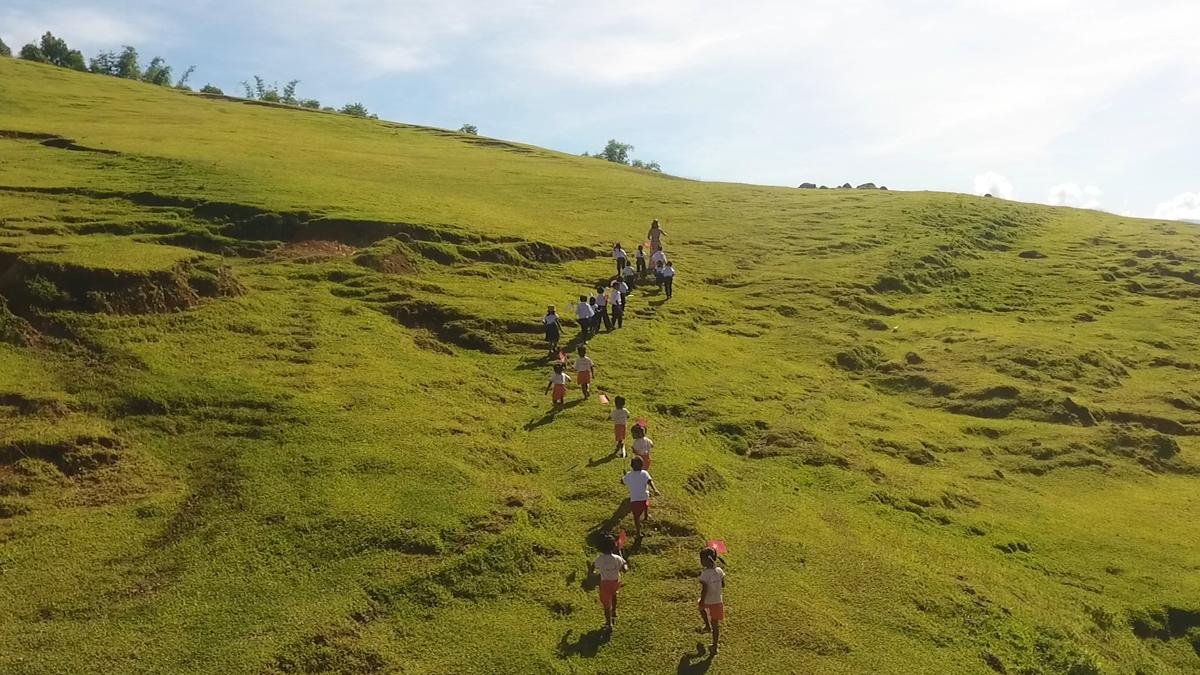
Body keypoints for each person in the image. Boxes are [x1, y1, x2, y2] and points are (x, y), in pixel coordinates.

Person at [589, 533, 628, 633]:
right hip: (615, 582)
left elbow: (593, 568)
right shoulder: (617, 558)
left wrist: (591, 572)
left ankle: (609, 623)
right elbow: (625, 570)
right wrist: (624, 562)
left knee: (606, 605)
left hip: (605, 584)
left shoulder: (600, 559)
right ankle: (614, 611)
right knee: (614, 595)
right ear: (614, 546)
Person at [698, 547, 727, 655]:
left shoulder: (705, 574)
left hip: (708, 600)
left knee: (700, 607)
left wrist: (702, 600)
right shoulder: (719, 570)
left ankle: (706, 626)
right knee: (716, 624)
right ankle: (715, 646)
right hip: (717, 601)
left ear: (705, 560)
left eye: (701, 559)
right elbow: (723, 584)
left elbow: (704, 589)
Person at [621, 456, 658, 537]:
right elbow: (650, 481)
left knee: (636, 517)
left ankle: (638, 533)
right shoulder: (645, 473)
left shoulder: (628, 475)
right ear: (642, 465)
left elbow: (623, 482)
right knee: (646, 503)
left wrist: (623, 477)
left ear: (631, 466)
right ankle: (646, 516)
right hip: (644, 498)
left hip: (634, 500)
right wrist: (655, 490)